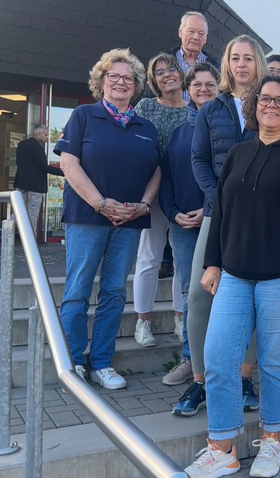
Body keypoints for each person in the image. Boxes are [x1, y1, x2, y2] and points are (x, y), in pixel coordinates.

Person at [184, 74, 280, 478]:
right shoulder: (238, 152)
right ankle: (222, 448)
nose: (270, 106)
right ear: (253, 106)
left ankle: (272, 442)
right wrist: (212, 261)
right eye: (264, 99)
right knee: (218, 358)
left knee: (274, 362)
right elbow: (221, 213)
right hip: (233, 273)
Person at [54, 48, 160, 390]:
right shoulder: (83, 115)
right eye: (113, 76)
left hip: (129, 220)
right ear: (101, 81)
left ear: (136, 86)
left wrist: (143, 205)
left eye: (127, 78)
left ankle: (101, 362)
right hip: (87, 216)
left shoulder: (146, 125)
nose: (120, 82)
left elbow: (156, 170)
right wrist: (101, 204)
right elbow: (69, 165)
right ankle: (73, 362)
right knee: (78, 290)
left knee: (114, 291)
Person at [189, 34, 262, 412]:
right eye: (235, 57)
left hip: (257, 218)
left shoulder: (270, 104)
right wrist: (217, 197)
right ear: (227, 63)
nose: (242, 64)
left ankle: (245, 377)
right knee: (199, 297)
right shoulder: (210, 110)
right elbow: (199, 159)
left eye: (248, 58)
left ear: (257, 63)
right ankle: (199, 381)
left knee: (250, 296)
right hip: (216, 213)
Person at [158, 62, 218, 395]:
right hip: (182, 224)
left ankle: (219, 362)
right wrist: (173, 212)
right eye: (198, 85)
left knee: (217, 292)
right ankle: (189, 359)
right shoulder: (180, 131)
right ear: (188, 89)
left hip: (217, 219)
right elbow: (166, 175)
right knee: (188, 292)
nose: (204, 90)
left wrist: (207, 208)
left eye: (210, 84)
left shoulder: (228, 126)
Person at [131, 52, 189, 348]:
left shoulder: (193, 109)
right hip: (152, 190)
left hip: (182, 192)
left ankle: (181, 319)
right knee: (149, 255)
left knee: (182, 258)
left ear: (182, 73)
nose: (167, 74)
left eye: (172, 69)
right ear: (154, 80)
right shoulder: (145, 107)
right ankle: (143, 322)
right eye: (160, 72)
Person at [148, 12, 220, 102]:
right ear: (180, 32)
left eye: (201, 34)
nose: (196, 37)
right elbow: (150, 94)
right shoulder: (162, 63)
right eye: (191, 31)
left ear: (205, 38)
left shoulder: (215, 68)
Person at [14, 124, 64, 239]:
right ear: (38, 134)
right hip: (36, 185)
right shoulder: (37, 148)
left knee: (20, 209)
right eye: (46, 135)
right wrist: (63, 172)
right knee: (33, 211)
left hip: (21, 182)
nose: (47, 138)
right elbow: (43, 167)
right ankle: (30, 237)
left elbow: (19, 163)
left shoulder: (22, 145)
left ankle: (4, 228)